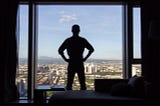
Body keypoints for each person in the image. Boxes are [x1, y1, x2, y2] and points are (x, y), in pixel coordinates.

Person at [58, 24, 94, 90]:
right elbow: (91, 49)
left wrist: (65, 59)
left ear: (71, 30)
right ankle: (82, 98)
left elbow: (60, 50)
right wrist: (85, 58)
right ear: (79, 31)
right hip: (79, 62)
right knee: (82, 83)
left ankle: (69, 99)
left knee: (69, 83)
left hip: (71, 62)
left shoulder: (68, 40)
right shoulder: (82, 40)